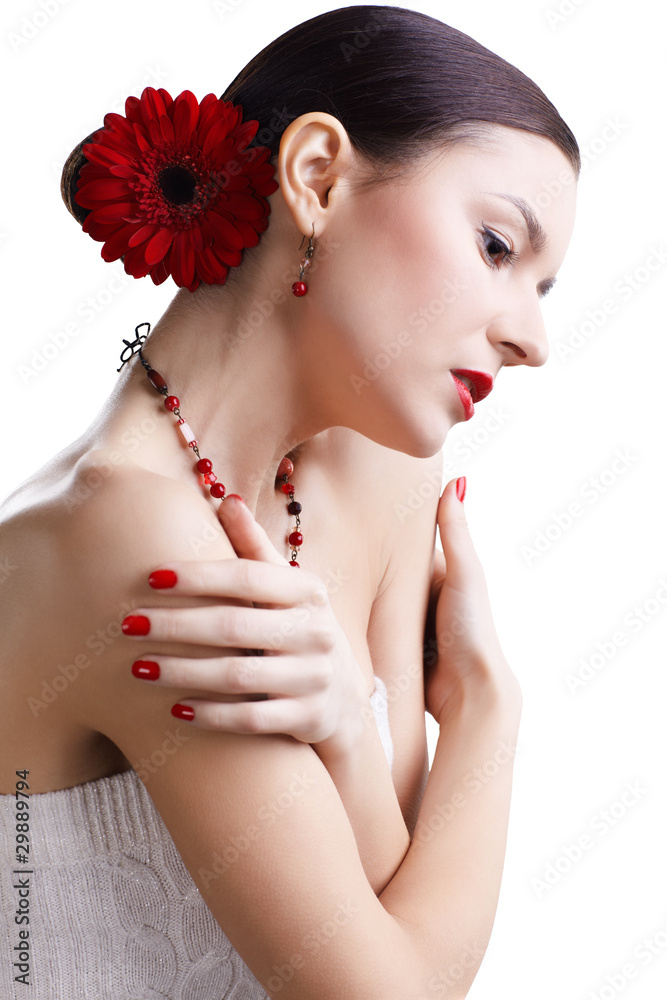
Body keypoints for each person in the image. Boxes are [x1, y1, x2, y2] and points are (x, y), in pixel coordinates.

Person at [0, 5, 579, 998]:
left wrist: (351, 729)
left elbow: (399, 907)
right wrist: (484, 712)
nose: (531, 338)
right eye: (495, 247)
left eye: (545, 285)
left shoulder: (381, 472)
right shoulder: (123, 539)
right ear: (317, 176)